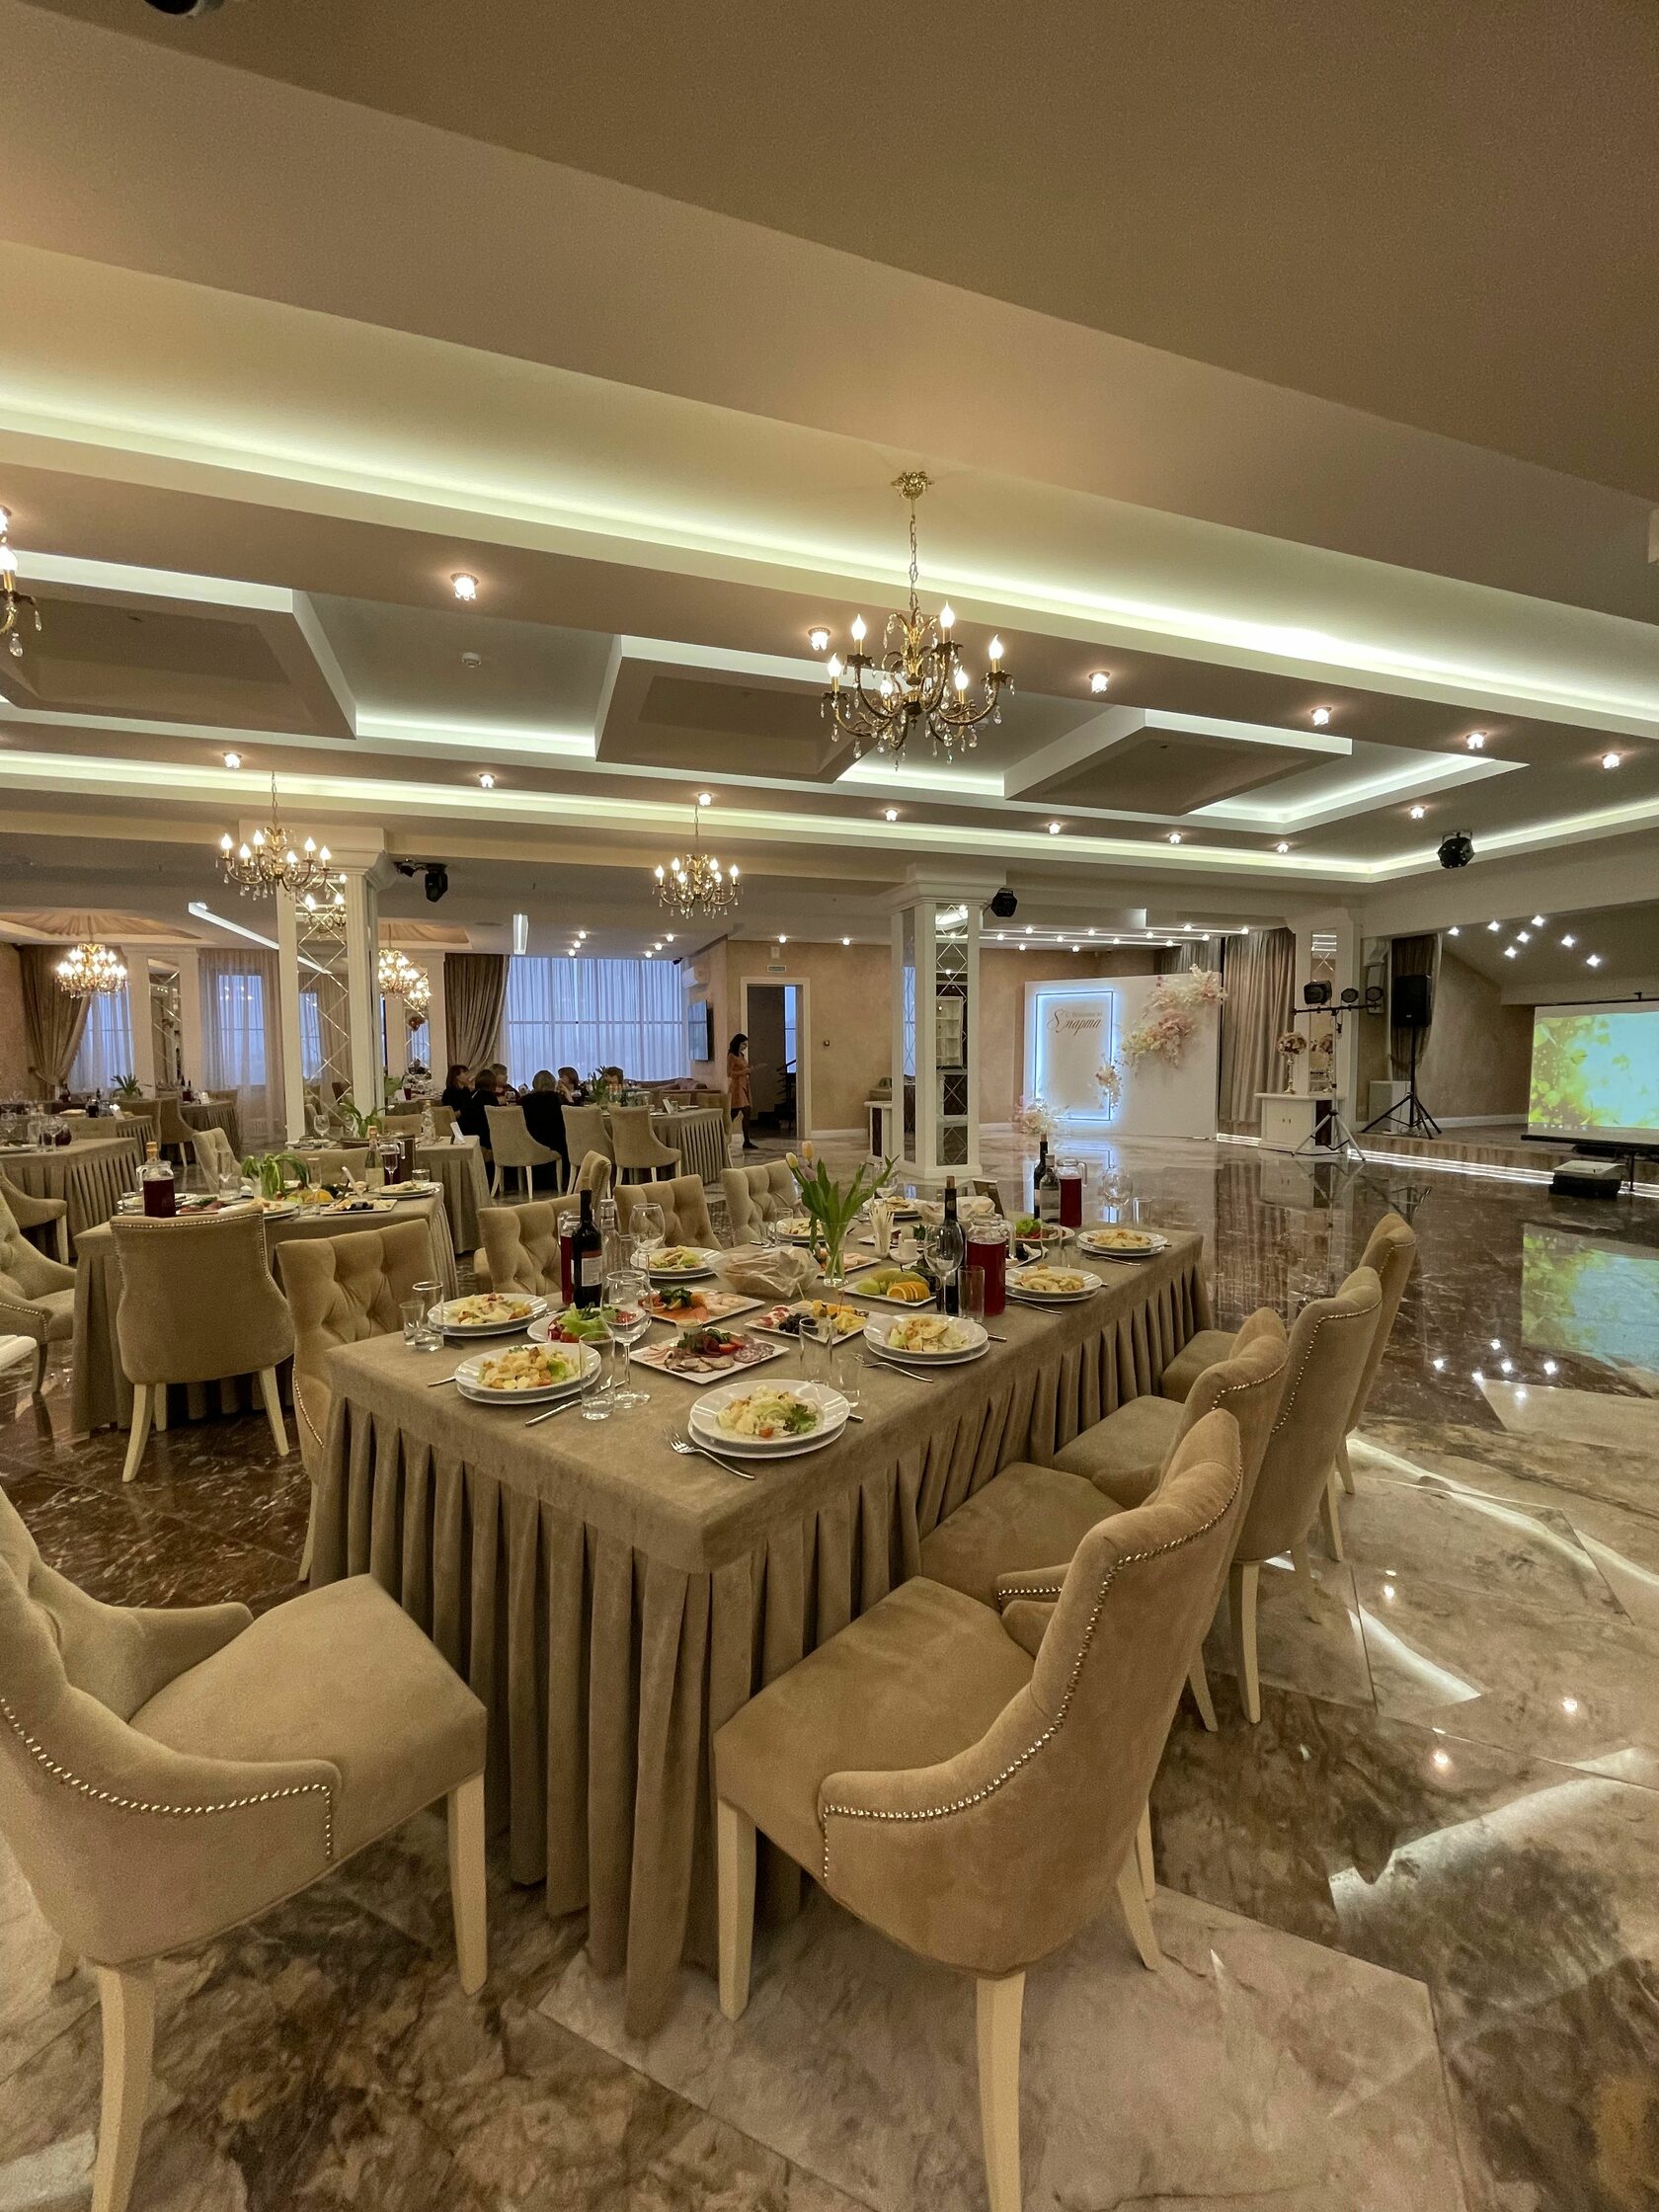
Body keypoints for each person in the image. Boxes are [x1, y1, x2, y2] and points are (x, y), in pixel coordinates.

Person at [520, 1069, 570, 1189]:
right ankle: (565, 1179)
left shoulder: (524, 1101)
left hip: (530, 1142)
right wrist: (568, 1094)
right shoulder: (558, 1099)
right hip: (554, 1142)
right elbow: (571, 1114)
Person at [728, 1032, 757, 1151]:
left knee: (743, 1112)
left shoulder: (741, 1055)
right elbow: (729, 1073)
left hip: (744, 1085)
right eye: (743, 1044)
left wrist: (749, 1070)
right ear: (738, 1043)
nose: (745, 1047)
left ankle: (746, 1141)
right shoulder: (731, 1056)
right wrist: (743, 1072)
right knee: (738, 1111)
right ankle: (725, 1135)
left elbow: (744, 1068)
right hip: (737, 1087)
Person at [456, 1066, 499, 1146]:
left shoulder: (471, 1095)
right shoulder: (490, 1097)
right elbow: (495, 1118)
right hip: (483, 1138)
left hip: (466, 1135)